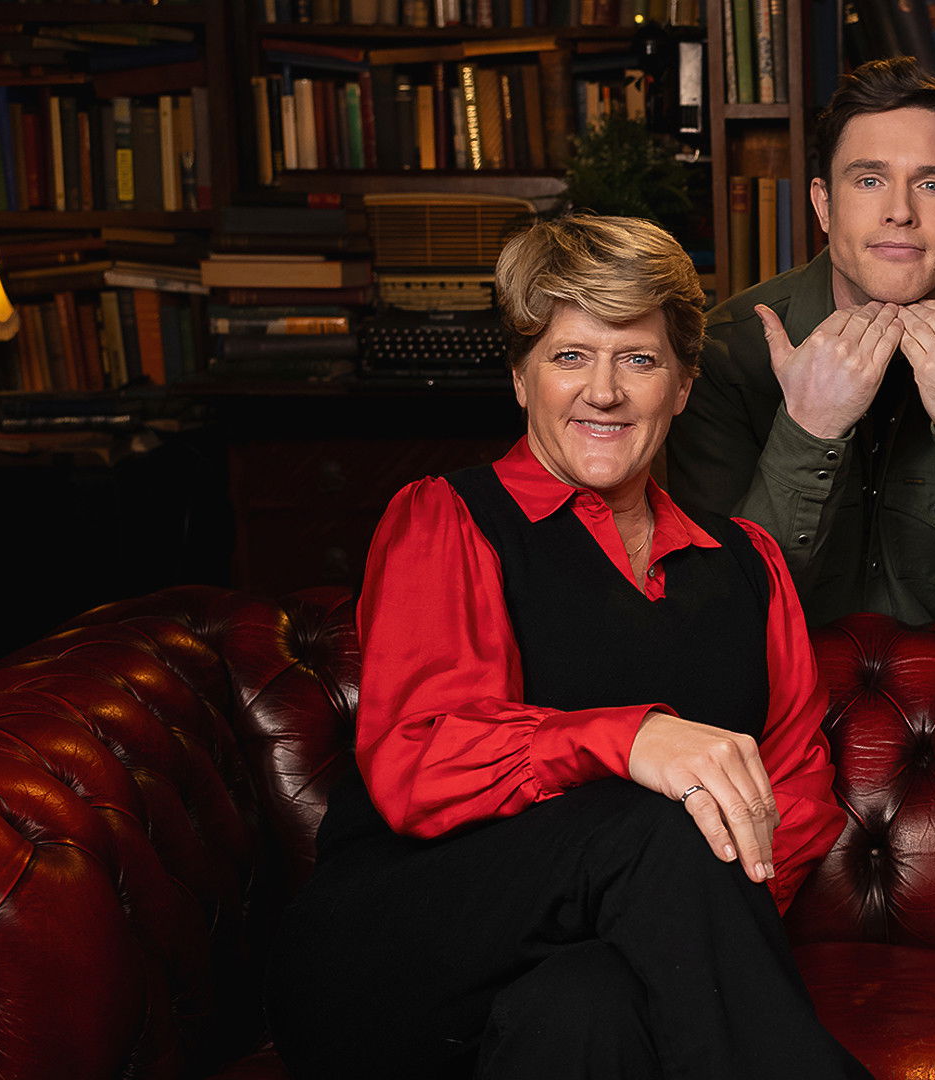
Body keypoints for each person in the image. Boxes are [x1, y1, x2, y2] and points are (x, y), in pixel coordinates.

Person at [269, 215, 870, 1080]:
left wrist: (682, 926)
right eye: (570, 356)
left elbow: (794, 794)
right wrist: (631, 740)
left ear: (683, 385)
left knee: (588, 1005)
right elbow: (419, 760)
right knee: (662, 828)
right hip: (400, 949)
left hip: (579, 967)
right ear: (522, 379)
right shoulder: (449, 518)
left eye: (639, 359)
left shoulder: (748, 563)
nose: (604, 392)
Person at [668, 58, 935, 627]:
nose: (900, 212)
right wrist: (809, 430)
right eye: (870, 180)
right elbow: (723, 617)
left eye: (931, 185)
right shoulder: (724, 355)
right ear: (824, 205)